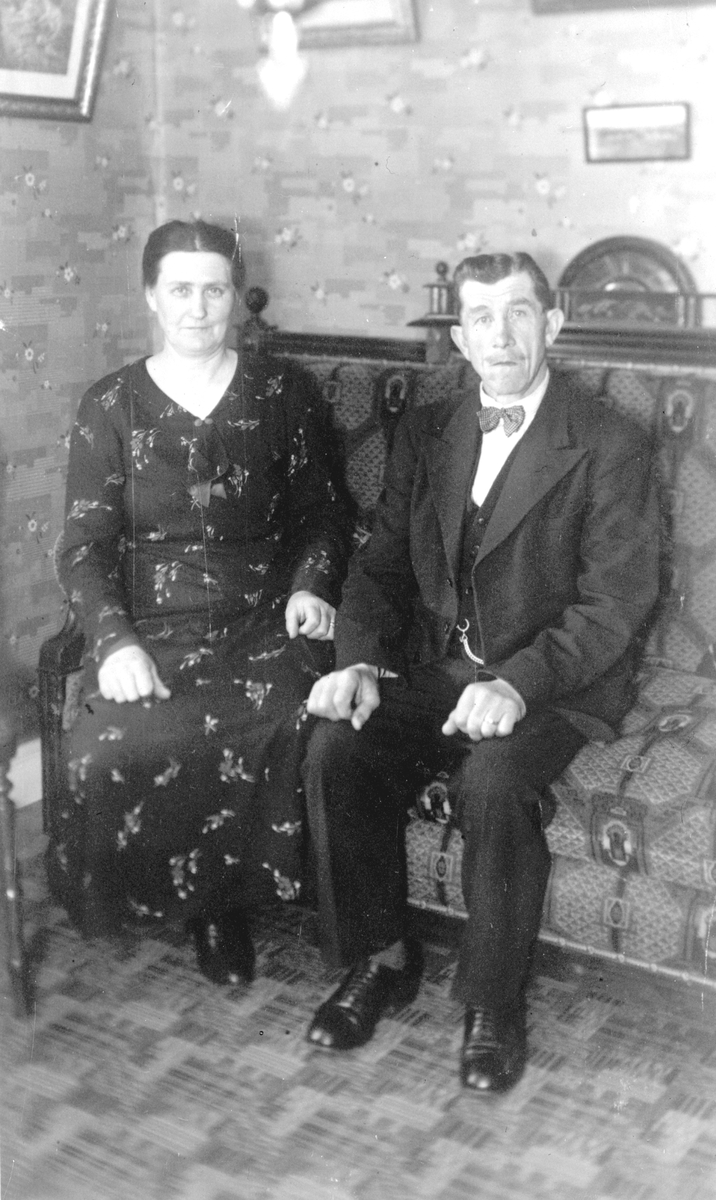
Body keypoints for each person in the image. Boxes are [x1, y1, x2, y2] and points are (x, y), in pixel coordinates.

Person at [302, 252, 660, 1093]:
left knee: (494, 782)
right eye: (482, 318)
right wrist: (358, 659)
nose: (501, 335)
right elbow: (382, 563)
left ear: (552, 325)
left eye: (519, 313)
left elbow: (614, 604)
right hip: (437, 664)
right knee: (336, 747)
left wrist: (517, 684)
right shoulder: (428, 429)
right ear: (460, 338)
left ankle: (493, 1003)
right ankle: (383, 958)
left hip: (555, 676)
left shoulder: (611, 441)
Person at [48, 219, 350, 984]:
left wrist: (311, 585)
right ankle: (173, 901)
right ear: (151, 296)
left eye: (214, 290)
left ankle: (223, 908)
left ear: (235, 299)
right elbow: (83, 547)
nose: (198, 307)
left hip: (265, 617)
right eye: (180, 289)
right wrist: (114, 642)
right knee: (104, 746)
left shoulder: (283, 393)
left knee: (291, 719)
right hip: (151, 624)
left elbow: (323, 513)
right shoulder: (109, 405)